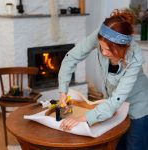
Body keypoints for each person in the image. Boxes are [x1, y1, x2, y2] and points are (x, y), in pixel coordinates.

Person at [58, 9, 148, 150]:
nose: (104, 52)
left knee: (134, 146)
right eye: (101, 47)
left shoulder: (135, 58)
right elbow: (72, 57)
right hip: (114, 108)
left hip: (138, 108)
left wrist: (84, 118)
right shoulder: (102, 36)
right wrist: (63, 91)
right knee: (116, 145)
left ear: (124, 48)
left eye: (110, 50)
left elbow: (117, 99)